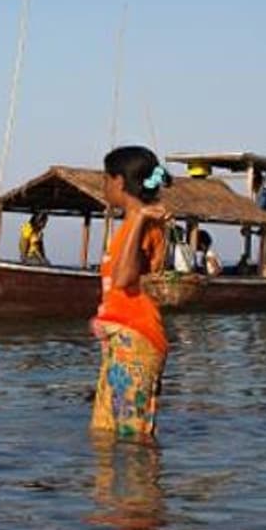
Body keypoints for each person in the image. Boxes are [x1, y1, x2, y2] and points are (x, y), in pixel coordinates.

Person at [92, 145, 171, 442]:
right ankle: (109, 490)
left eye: (105, 179)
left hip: (138, 340)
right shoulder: (132, 225)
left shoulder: (144, 224)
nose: (103, 186)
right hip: (123, 341)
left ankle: (144, 489)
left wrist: (138, 218)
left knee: (131, 436)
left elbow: (124, 277)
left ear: (119, 182)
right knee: (105, 434)